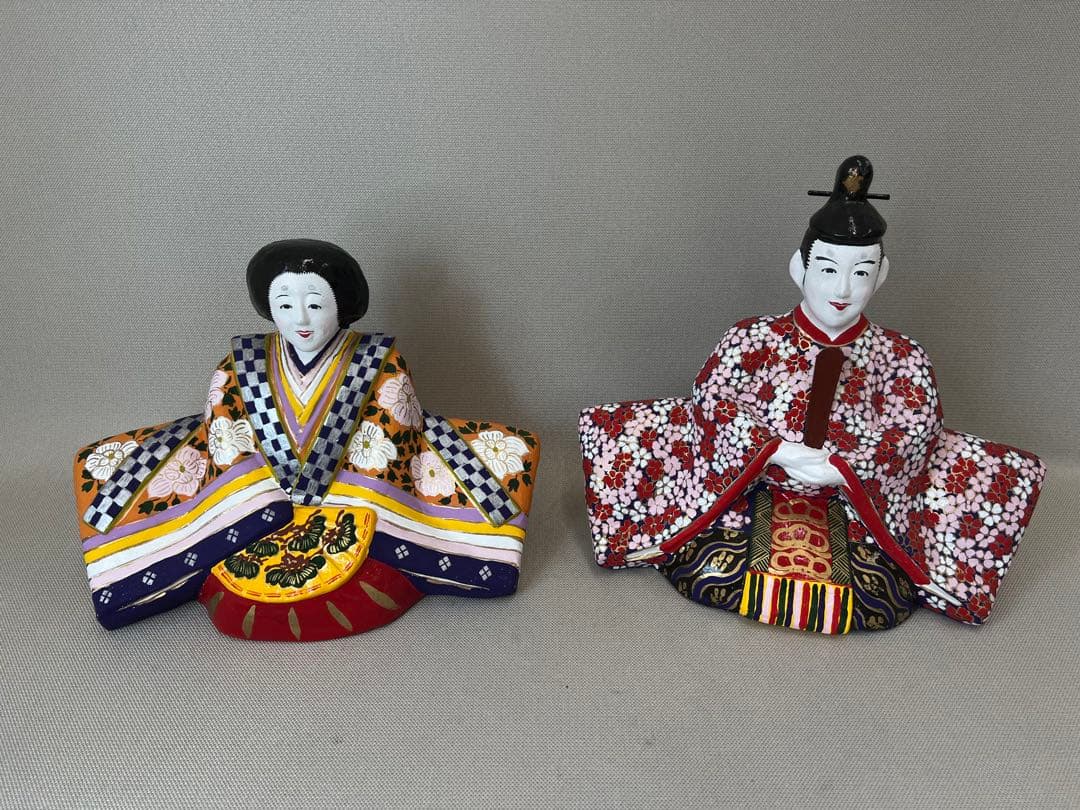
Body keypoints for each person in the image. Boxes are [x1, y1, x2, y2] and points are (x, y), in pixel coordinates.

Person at [579, 157, 1045, 632]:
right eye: (827, 269)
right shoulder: (753, 338)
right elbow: (714, 400)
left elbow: (916, 430)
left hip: (854, 504)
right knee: (658, 471)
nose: (843, 288)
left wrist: (843, 467)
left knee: (888, 578)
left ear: (881, 274)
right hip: (751, 489)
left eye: (860, 273)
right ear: (798, 268)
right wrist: (775, 450)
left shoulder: (902, 355)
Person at [74, 239, 540, 641]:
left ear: (343, 305)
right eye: (284, 305)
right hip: (252, 512)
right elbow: (223, 440)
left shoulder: (381, 363)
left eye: (315, 305)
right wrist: (262, 507)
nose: (300, 318)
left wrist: (332, 509)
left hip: (355, 513)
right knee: (143, 484)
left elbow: (390, 446)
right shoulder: (239, 365)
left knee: (486, 468)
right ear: (267, 307)